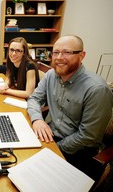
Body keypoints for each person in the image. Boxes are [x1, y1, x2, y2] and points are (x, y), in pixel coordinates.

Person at [27, 35, 113, 181]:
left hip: (79, 151)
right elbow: (34, 99)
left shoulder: (97, 89)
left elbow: (87, 136)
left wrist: (55, 149)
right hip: (50, 137)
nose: (59, 57)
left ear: (82, 55)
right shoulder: (50, 76)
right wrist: (37, 120)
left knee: (37, 179)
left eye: (66, 52)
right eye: (55, 52)